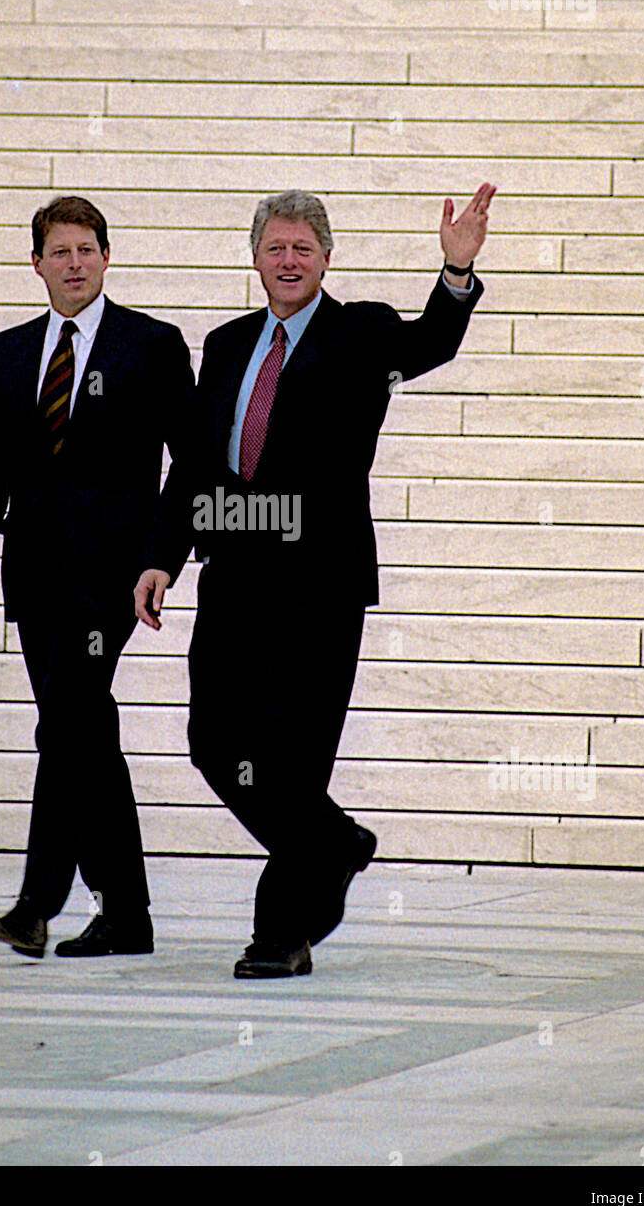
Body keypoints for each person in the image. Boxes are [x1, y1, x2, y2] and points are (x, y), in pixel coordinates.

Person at [135, 185, 496, 979]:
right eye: (276, 248)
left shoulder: (361, 330)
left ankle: (281, 933)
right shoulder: (227, 344)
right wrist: (162, 555)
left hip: (319, 584)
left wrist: (456, 270)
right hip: (232, 577)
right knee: (214, 742)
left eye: (303, 248)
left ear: (326, 258)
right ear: (255, 258)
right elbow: (195, 462)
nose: (289, 260)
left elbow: (431, 341)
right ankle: (334, 843)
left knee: (293, 761)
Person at [0, 195, 194, 958]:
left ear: (108, 257)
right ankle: (127, 914)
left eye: (88, 249)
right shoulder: (8, 353)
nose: (75, 263)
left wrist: (161, 557)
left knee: (71, 717)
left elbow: (192, 464)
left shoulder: (150, 344)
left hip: (113, 579)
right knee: (82, 731)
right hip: (36, 576)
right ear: (37, 264)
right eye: (60, 252)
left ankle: (36, 899)